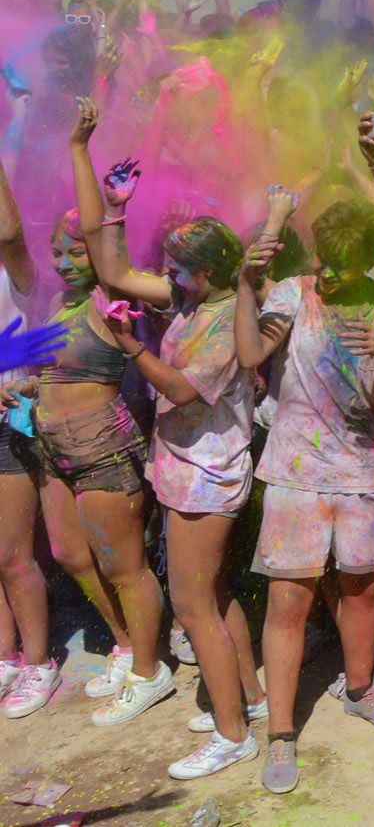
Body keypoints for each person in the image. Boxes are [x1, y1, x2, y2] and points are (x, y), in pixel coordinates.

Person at [76, 142, 273, 779]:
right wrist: (114, 208)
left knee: (192, 608)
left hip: (208, 474)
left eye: (178, 271)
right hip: (187, 466)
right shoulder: (195, 301)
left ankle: (231, 735)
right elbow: (114, 273)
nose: (167, 278)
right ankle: (249, 698)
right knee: (212, 594)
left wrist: (133, 345)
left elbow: (182, 389)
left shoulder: (222, 321)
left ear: (209, 273)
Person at [247, 197, 374, 793]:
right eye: (323, 257)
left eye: (342, 264)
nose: (328, 272)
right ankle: (282, 733)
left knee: (363, 585)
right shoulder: (293, 293)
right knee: (288, 599)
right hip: (295, 468)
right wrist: (249, 280)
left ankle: (361, 687)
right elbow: (250, 354)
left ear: (366, 260)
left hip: (361, 468)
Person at [41, 101, 171, 728]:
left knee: (124, 565)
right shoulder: (55, 302)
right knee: (69, 553)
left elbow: (98, 237)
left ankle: (151, 670)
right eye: (57, 251)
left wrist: (78, 152)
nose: (67, 260)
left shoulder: (109, 292)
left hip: (102, 448)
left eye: (75, 250)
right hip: (51, 448)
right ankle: (126, 645)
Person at [0, 151, 56, 720]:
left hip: (11, 422)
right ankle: (6, 656)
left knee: (13, 554)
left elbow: (9, 230)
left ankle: (39, 660)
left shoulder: (18, 274)